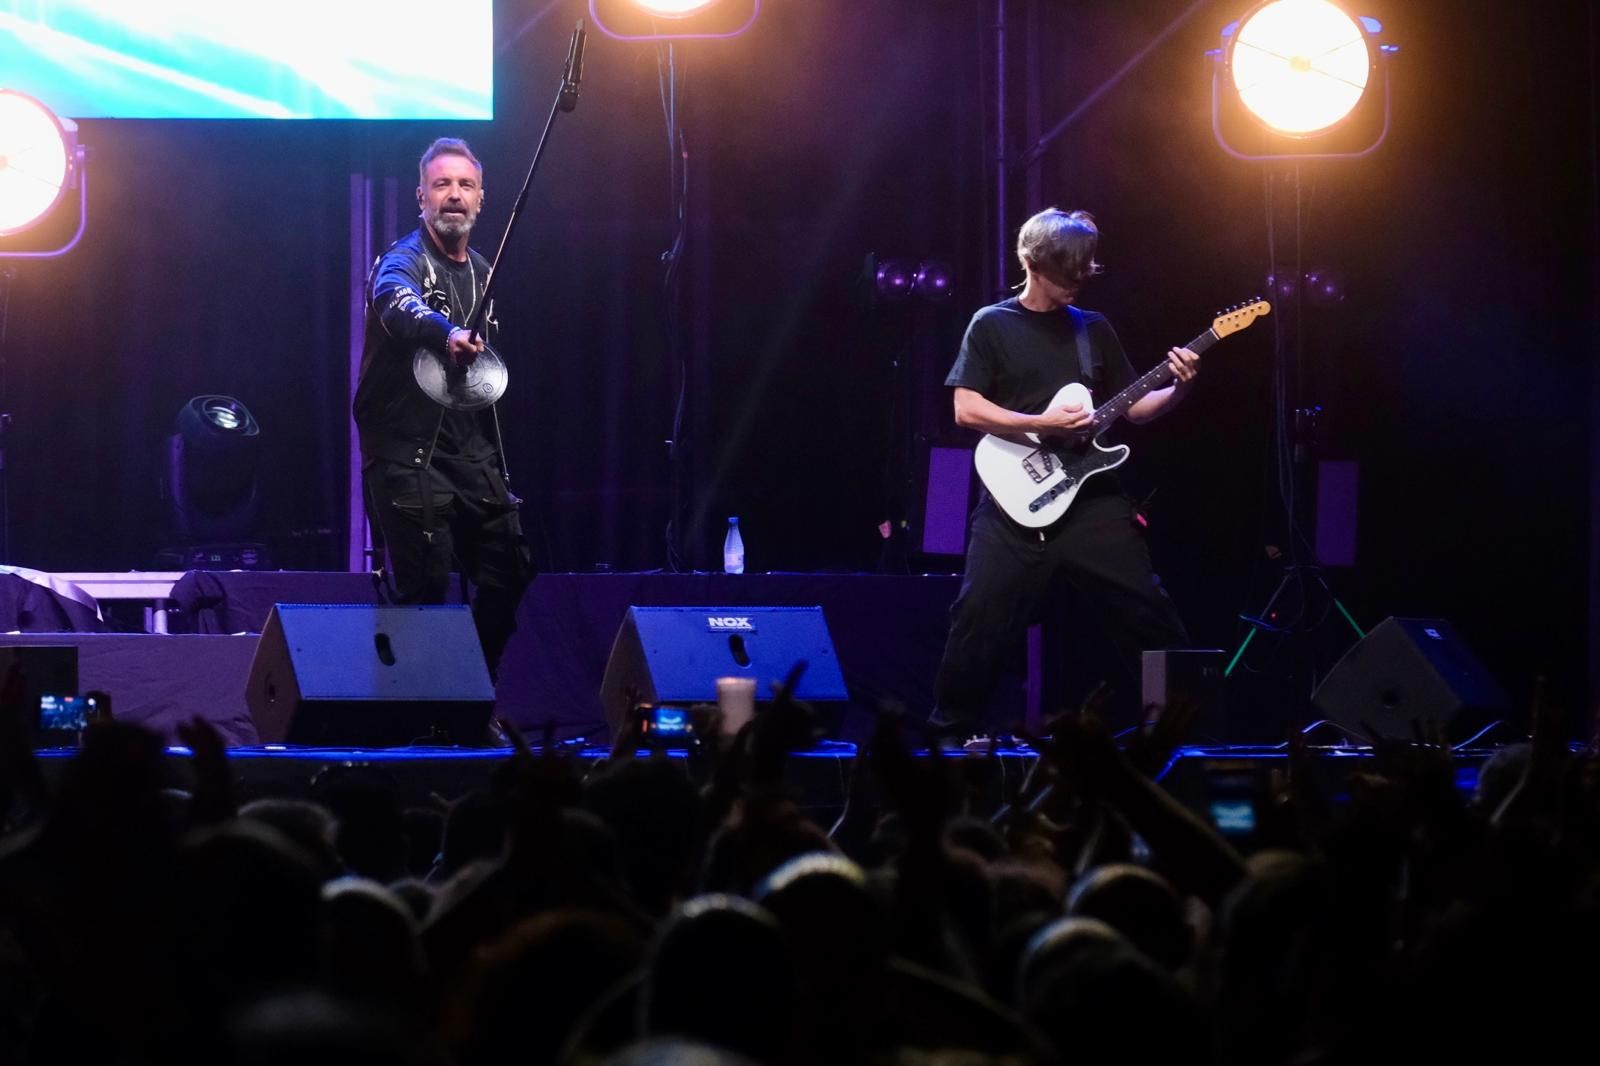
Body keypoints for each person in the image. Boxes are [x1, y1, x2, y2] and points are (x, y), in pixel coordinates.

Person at [931, 208, 1196, 737]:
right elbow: (965, 409)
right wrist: (1041, 423)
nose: (1076, 282)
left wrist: (1182, 385)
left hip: (1093, 501)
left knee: (1150, 613)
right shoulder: (992, 323)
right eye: (1065, 271)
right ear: (1030, 260)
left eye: (1084, 271)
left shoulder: (1092, 330)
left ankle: (1185, 734)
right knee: (977, 618)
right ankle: (949, 738)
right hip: (1013, 503)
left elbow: (1136, 409)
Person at [354, 137, 531, 678]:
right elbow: (395, 301)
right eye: (442, 184)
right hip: (407, 451)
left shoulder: (483, 271)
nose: (454, 195)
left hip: (468, 451)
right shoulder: (402, 261)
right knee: (426, 585)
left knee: (511, 566)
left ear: (481, 199)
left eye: (465, 185)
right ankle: (414, 709)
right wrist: (445, 332)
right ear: (421, 198)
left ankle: (469, 685)